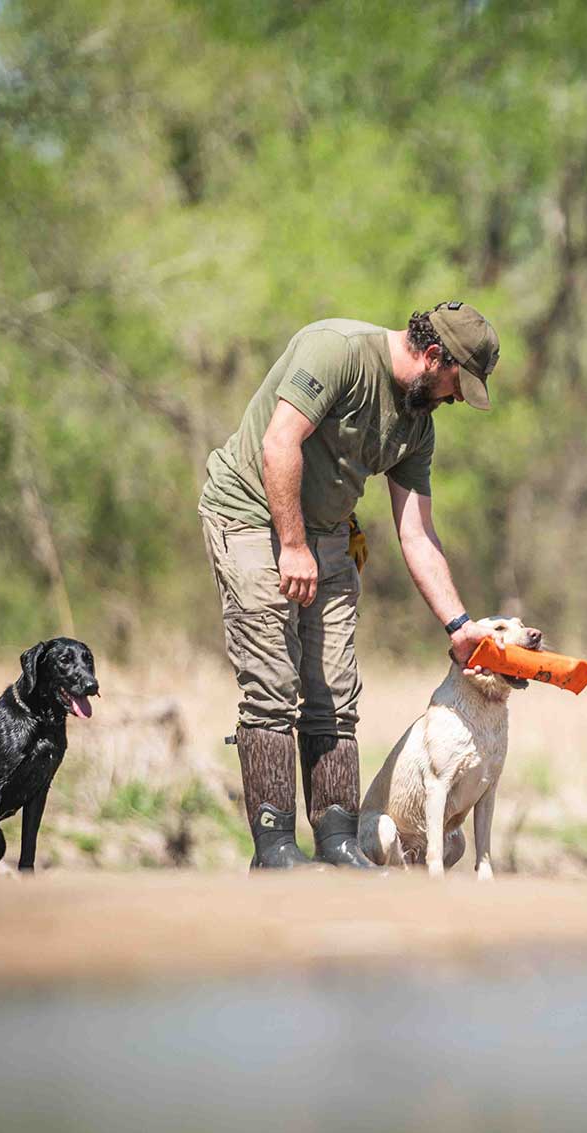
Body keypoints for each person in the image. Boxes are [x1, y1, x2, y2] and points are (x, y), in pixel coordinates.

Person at [197, 302, 500, 870]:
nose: (456, 400)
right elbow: (279, 443)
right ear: (435, 356)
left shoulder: (417, 425)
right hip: (251, 514)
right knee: (272, 685)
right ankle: (274, 850)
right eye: (457, 386)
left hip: (328, 530)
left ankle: (337, 842)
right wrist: (292, 546)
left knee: (335, 691)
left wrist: (459, 627)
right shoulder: (337, 351)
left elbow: (417, 533)